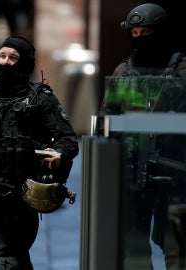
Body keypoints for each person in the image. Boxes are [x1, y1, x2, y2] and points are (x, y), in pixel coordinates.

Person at [0, 36, 79, 269]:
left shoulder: (40, 99)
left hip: (24, 190)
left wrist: (58, 153)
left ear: (25, 63)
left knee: (7, 256)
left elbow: (68, 139)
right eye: (2, 56)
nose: (6, 62)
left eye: (13, 57)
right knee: (13, 255)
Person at [99, 3, 186, 269]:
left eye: (145, 32)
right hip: (134, 170)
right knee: (133, 247)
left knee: (177, 246)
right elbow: (106, 122)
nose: (139, 38)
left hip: (175, 172)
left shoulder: (182, 71)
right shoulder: (124, 73)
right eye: (134, 33)